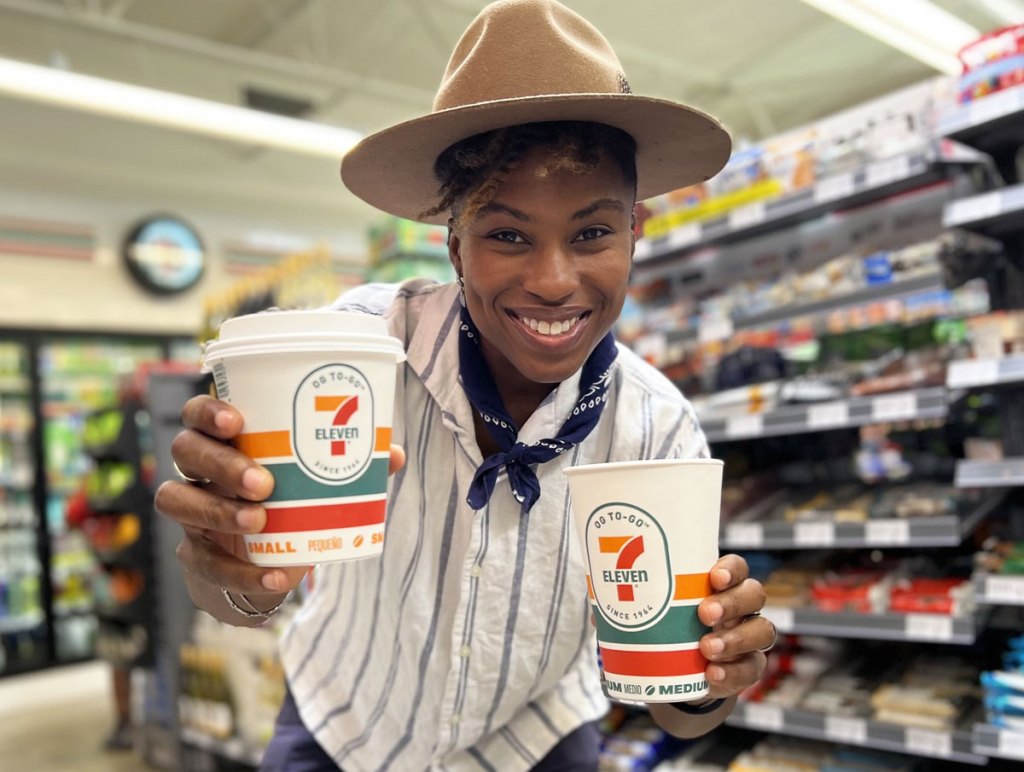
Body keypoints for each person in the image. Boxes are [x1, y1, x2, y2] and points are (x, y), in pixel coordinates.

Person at [156, 1, 776, 770]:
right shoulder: (354, 352)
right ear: (453, 244)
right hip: (345, 722)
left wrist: (710, 678)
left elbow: (681, 712)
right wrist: (230, 566)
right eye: (506, 234)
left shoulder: (656, 428)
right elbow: (241, 594)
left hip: (535, 738)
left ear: (635, 230)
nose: (553, 281)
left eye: (592, 233)